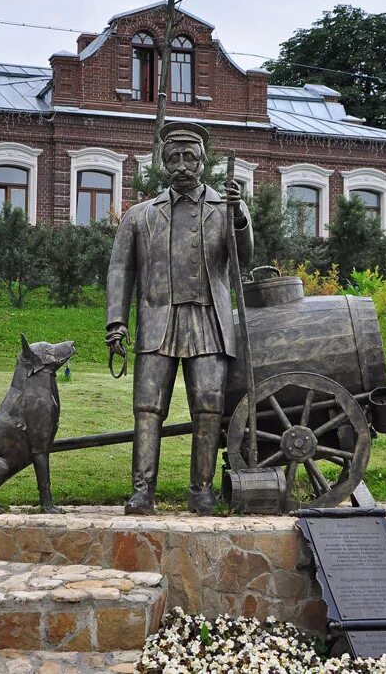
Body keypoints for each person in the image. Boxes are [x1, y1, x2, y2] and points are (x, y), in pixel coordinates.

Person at [105, 122, 252, 515]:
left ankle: (200, 491)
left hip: (208, 320)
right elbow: (120, 270)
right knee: (148, 408)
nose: (183, 165)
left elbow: (242, 261)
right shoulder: (140, 216)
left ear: (203, 162)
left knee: (207, 407)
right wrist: (116, 322)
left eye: (190, 157)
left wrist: (239, 217)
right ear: (164, 163)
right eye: (174, 158)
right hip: (158, 321)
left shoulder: (225, 208)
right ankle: (142, 492)